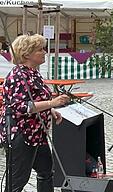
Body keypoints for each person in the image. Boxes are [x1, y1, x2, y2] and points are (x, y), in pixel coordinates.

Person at [0, 34, 69, 192]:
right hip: (21, 134)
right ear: (26, 54)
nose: (44, 52)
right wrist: (52, 103)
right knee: (17, 181)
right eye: (40, 49)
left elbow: (36, 99)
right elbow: (21, 106)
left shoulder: (33, 73)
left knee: (46, 171)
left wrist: (50, 110)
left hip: (37, 133)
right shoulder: (17, 75)